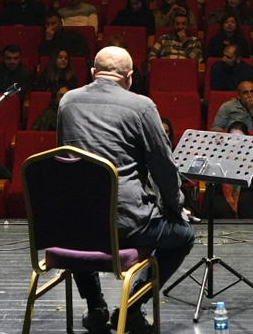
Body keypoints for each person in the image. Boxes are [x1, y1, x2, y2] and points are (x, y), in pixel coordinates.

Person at [57, 47, 195, 333]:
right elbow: (165, 170)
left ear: (93, 74)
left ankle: (95, 307)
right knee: (183, 236)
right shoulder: (142, 107)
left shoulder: (67, 102)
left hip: (72, 225)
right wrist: (174, 206)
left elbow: (64, 161)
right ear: (130, 77)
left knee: (82, 217)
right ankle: (131, 308)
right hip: (126, 225)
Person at [205, 120, 253, 218]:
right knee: (219, 205)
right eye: (232, 138)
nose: (235, 142)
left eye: (239, 138)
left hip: (247, 192)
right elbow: (213, 180)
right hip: (223, 193)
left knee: (246, 200)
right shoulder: (220, 154)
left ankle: (246, 232)